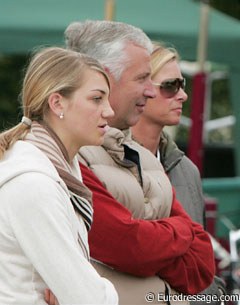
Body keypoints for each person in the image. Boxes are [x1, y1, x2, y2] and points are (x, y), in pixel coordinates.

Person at [64, 20, 215, 305]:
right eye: (143, 79)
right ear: (104, 77)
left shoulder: (148, 158)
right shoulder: (66, 155)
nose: (150, 90)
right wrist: (180, 234)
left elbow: (202, 265)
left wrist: (147, 249)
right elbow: (127, 245)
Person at [0, 46, 118, 305]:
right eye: (97, 99)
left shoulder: (56, 168)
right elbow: (89, 298)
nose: (109, 111)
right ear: (57, 103)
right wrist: (105, 290)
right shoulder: (33, 182)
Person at [132, 43, 226, 304]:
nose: (183, 95)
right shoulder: (106, 163)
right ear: (141, 89)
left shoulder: (187, 170)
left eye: (182, 85)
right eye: (170, 86)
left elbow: (203, 264)